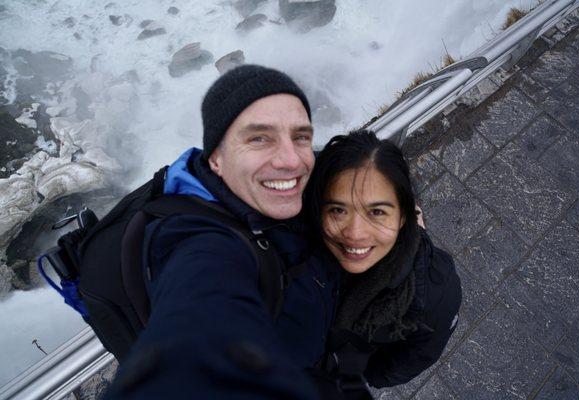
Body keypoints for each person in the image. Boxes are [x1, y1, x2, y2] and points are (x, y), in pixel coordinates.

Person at [105, 65, 339, 399]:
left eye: (301, 136)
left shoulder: (281, 187)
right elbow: (200, 320)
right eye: (259, 138)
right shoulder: (197, 242)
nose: (292, 160)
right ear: (215, 158)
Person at [304, 130, 462, 389]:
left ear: (403, 217)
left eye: (376, 212)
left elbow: (409, 360)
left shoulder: (435, 294)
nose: (355, 234)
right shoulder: (293, 212)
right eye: (338, 210)